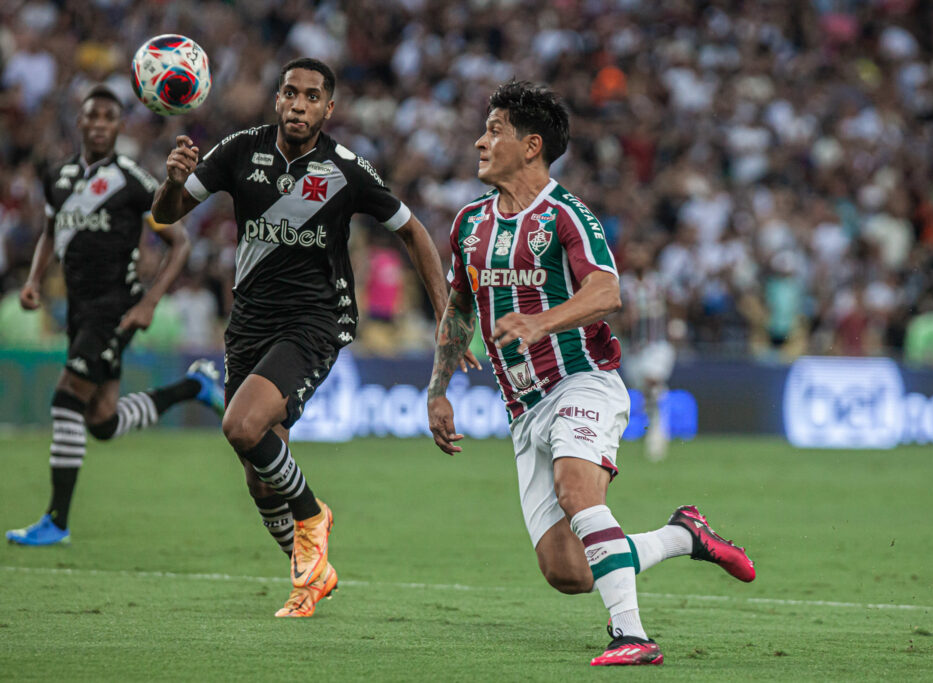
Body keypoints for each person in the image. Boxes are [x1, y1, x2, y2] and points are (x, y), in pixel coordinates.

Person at [427, 80, 756, 667]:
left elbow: (606, 292)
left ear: (531, 146)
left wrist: (539, 323)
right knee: (568, 572)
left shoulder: (566, 216)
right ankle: (686, 535)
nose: (480, 141)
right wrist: (438, 388)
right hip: (523, 408)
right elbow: (457, 308)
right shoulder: (468, 225)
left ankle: (631, 635)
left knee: (577, 490)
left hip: (584, 381)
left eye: (494, 130)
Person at [151, 58, 461, 617]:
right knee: (258, 477)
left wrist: (444, 316)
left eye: (312, 96)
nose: (299, 104)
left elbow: (413, 232)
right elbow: (166, 215)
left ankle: (313, 515)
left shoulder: (346, 170)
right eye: (290, 93)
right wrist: (172, 183)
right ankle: (310, 577)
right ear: (276, 100)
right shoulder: (238, 151)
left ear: (328, 108)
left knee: (241, 425)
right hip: (248, 322)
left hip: (315, 320)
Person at [5, 85, 224, 547]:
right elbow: (49, 232)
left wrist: (149, 302)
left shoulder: (132, 179)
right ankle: (194, 386)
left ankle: (56, 521)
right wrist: (34, 279)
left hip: (117, 308)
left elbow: (179, 242)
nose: (101, 123)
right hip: (80, 310)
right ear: (81, 122)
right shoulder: (59, 177)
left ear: (120, 126)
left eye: (110, 117)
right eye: (93, 116)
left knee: (67, 400)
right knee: (101, 420)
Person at [618, 240, 681, 461]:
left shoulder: (660, 282)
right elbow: (613, 314)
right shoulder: (622, 284)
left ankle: (658, 432)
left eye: (641, 253)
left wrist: (676, 325)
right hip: (633, 347)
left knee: (652, 379)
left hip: (658, 343)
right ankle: (654, 422)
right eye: (633, 253)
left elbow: (676, 304)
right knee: (646, 389)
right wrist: (623, 320)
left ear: (649, 257)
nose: (637, 258)